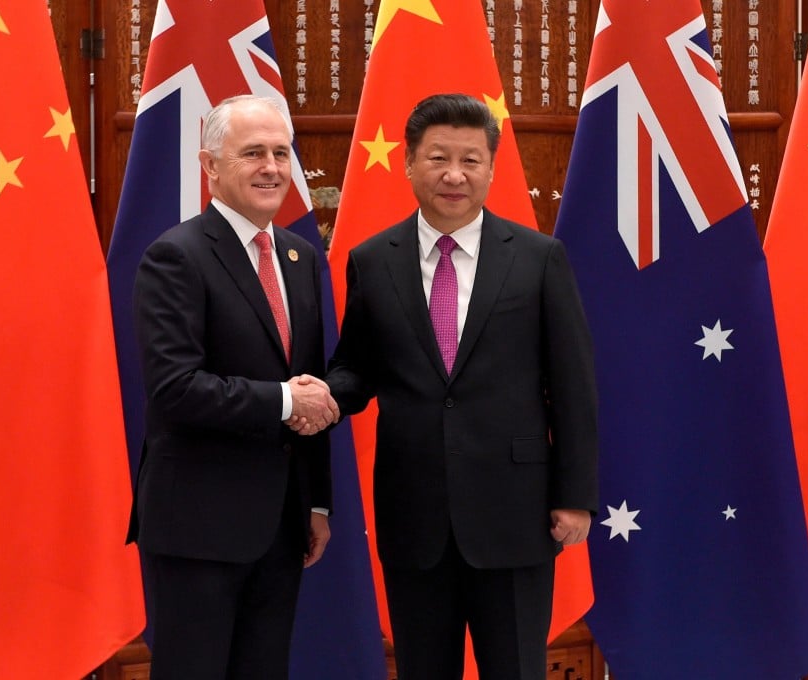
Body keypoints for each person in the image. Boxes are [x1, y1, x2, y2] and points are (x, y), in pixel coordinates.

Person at [323, 93, 599, 680]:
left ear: (492, 168)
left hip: (516, 514)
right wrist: (317, 397)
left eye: (471, 160)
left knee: (517, 668)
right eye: (438, 158)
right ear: (409, 163)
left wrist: (575, 495)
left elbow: (573, 386)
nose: (454, 175)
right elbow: (357, 367)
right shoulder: (372, 260)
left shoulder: (538, 258)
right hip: (413, 513)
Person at [127, 94, 338, 680]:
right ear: (210, 166)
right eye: (253, 153)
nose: (272, 166)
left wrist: (316, 500)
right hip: (199, 526)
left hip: (281, 524)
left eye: (280, 151)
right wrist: (283, 400)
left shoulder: (298, 257)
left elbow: (310, 383)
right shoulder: (177, 256)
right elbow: (174, 389)